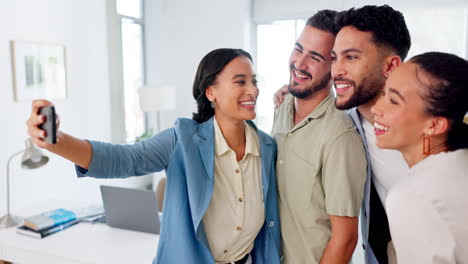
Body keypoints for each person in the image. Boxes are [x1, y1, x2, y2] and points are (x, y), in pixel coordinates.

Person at [26, 48, 281, 264]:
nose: (253, 91)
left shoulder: (267, 147)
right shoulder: (182, 140)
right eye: (240, 81)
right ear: (211, 92)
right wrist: (56, 141)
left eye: (254, 81)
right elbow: (122, 159)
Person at [274, 5, 412, 263]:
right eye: (335, 58)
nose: (337, 70)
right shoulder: (350, 121)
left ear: (391, 66)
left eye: (351, 57)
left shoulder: (428, 129)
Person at [271, 10, 367, 264]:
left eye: (314, 57)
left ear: (334, 66)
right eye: (298, 49)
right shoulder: (282, 107)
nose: (299, 63)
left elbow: (345, 238)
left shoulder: (340, 137)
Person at [370, 52, 468, 263]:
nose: (376, 108)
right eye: (383, 94)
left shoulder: (412, 196)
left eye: (394, 101)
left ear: (434, 125)